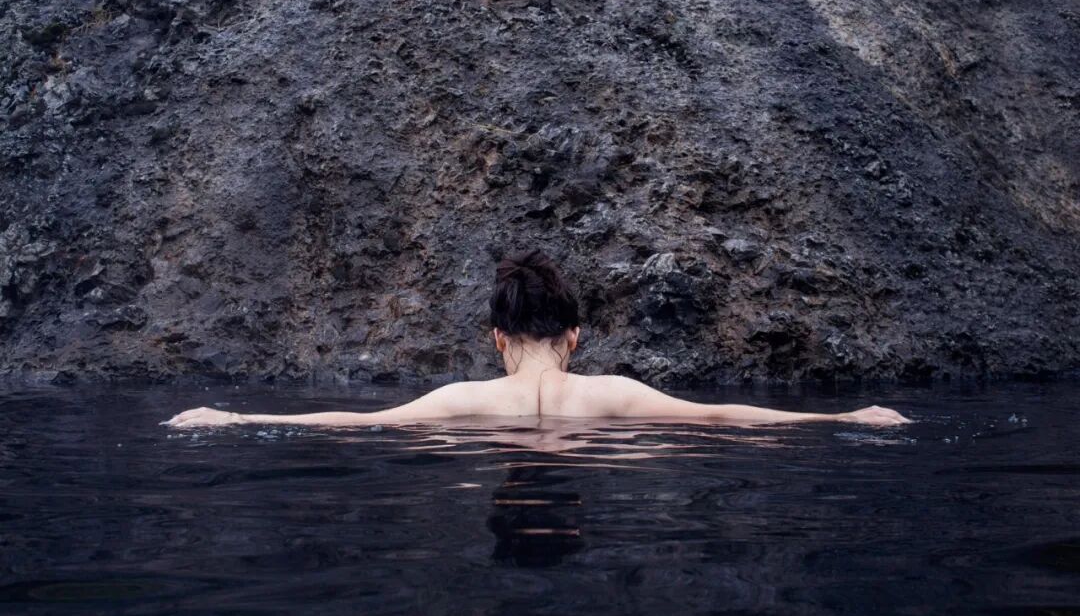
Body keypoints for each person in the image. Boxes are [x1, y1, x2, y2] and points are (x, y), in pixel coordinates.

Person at [165, 250, 910, 429]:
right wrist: (845, 417)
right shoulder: (615, 395)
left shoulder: (462, 401)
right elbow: (722, 417)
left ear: (498, 338)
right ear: (575, 336)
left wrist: (235, 417)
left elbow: (354, 423)